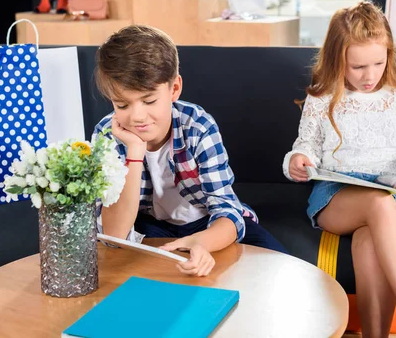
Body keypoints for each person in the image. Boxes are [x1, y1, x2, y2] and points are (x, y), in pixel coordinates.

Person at [283, 1, 396, 338]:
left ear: (389, 55)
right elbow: (304, 143)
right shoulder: (323, 96)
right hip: (337, 196)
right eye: (358, 67)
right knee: (379, 204)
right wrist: (298, 160)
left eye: (378, 63)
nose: (369, 76)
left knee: (369, 241)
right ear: (338, 60)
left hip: (391, 191)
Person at [94, 25, 287, 277]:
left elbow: (226, 208)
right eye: (122, 104)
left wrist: (202, 241)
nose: (138, 116)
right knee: (146, 280)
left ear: (174, 89)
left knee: (277, 268)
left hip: (207, 222)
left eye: (149, 101)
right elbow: (113, 234)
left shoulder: (197, 126)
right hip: (149, 227)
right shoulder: (107, 135)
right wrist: (134, 152)